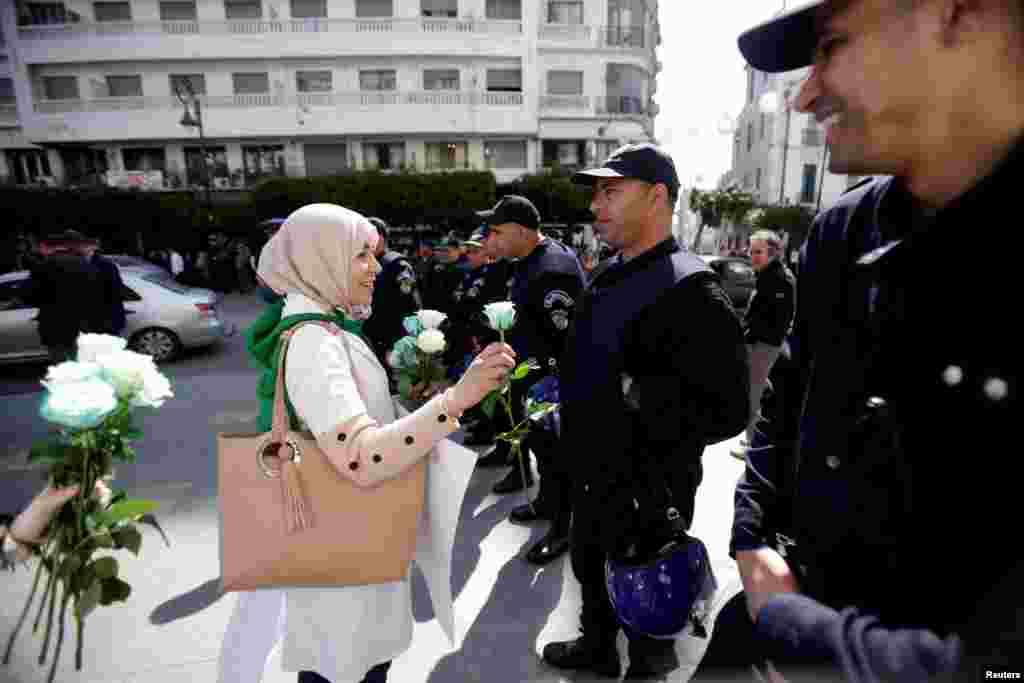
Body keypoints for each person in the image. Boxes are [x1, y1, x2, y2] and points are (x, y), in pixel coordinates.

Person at [696, 0, 1024, 679]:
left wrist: (798, 632)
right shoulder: (841, 231)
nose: (805, 96)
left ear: (958, 14)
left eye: (833, 45)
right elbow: (788, 394)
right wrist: (751, 536)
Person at [219, 203, 515, 683]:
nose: (376, 267)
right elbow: (362, 456)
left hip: (353, 550)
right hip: (346, 562)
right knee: (346, 667)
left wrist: (413, 403)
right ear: (321, 259)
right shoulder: (315, 342)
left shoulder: (328, 328)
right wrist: (457, 400)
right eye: (361, 255)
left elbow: (353, 425)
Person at [542, 144, 749, 680]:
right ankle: (596, 646)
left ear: (658, 197)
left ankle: (647, 666)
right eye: (595, 193)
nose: (596, 205)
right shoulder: (611, 273)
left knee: (647, 597)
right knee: (590, 568)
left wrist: (639, 398)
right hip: (591, 472)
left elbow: (728, 411)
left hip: (647, 488)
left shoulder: (691, 288)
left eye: (611, 191)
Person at [475, 195, 584, 567]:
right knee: (541, 447)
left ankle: (563, 529)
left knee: (560, 456)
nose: (494, 238)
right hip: (532, 374)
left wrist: (549, 384)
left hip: (553, 379)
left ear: (521, 231)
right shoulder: (527, 261)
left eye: (498, 231)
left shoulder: (553, 268)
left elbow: (566, 336)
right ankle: (546, 503)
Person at [730, 229, 795, 460]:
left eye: (758, 252)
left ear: (774, 253)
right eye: (751, 250)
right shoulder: (767, 275)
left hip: (764, 346)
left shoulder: (779, 280)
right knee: (758, 392)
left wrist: (750, 338)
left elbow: (775, 322)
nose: (751, 255)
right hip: (758, 344)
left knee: (753, 395)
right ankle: (755, 437)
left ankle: (751, 446)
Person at [22, 230, 107, 363]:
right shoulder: (86, 265)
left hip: (54, 326)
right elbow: (99, 294)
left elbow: (28, 295)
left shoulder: (44, 266)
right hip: (82, 325)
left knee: (61, 366)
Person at [361, 217, 421, 371]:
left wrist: (399, 343)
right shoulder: (363, 262)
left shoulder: (397, 265)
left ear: (380, 237)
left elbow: (410, 307)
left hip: (391, 341)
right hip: (369, 337)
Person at [2, 486, 81, 568]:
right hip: (42, 493)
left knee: (74, 490)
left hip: (48, 500)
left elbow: (46, 538)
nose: (27, 557)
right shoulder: (15, 531)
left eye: (22, 558)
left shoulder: (23, 535)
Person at [80, 236, 127, 337]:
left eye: (85, 245)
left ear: (94, 247)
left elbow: (116, 290)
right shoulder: (77, 264)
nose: (81, 248)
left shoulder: (107, 265)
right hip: (87, 322)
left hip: (107, 320)